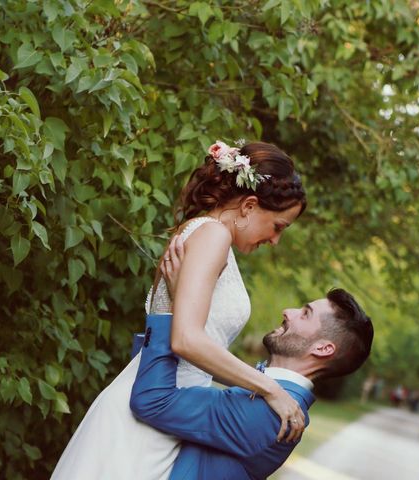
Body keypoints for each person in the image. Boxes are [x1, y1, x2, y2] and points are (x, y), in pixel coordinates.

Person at [51, 141, 307, 479]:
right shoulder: (213, 235)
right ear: (248, 205)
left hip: (167, 410)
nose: (275, 241)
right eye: (278, 227)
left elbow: (197, 344)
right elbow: (186, 340)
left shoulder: (207, 235)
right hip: (145, 416)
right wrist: (270, 388)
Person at [131, 289, 374, 479]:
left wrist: (164, 305)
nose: (288, 311)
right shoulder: (273, 395)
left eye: (305, 313)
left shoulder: (271, 415)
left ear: (322, 348)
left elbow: (152, 401)